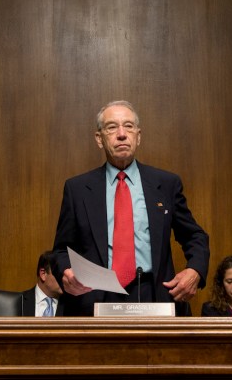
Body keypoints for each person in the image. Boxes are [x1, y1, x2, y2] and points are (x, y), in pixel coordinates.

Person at [52, 100, 210, 316]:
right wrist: (66, 272)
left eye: (128, 126)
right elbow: (61, 251)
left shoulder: (165, 184)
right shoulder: (77, 188)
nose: (121, 134)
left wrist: (195, 271)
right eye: (111, 127)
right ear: (99, 139)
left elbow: (195, 236)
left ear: (138, 135)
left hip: (153, 295)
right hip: (95, 297)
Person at [22, 251, 64, 316]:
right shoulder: (19, 301)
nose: (65, 279)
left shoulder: (74, 306)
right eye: (60, 274)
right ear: (43, 274)